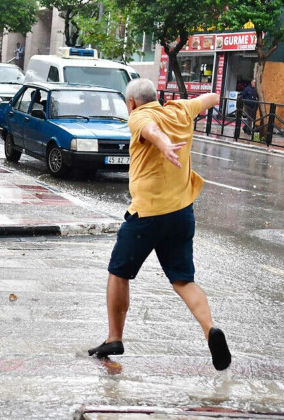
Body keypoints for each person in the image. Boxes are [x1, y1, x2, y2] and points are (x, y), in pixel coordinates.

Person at [87, 79, 231, 372]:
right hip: (181, 213)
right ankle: (210, 330)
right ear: (157, 97)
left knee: (118, 272)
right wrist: (215, 96)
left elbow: (151, 132)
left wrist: (165, 144)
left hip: (147, 215)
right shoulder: (180, 110)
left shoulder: (140, 116)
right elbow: (211, 97)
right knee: (183, 280)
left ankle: (114, 338)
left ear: (131, 103)